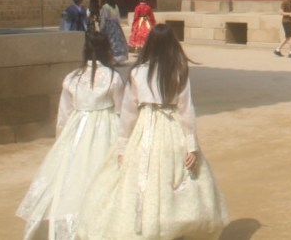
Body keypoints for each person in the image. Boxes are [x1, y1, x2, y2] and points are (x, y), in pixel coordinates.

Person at [78, 23, 229, 240]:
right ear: (172, 45)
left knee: (142, 176)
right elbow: (186, 110)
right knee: (175, 178)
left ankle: (146, 226)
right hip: (171, 124)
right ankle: (176, 225)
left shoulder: (137, 72)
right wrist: (191, 146)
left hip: (145, 126)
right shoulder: (179, 70)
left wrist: (123, 145)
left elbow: (128, 112)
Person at [16, 32, 125, 240]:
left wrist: (62, 142)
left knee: (70, 177)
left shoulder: (72, 78)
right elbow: (120, 110)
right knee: (102, 174)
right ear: (107, 50)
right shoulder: (113, 77)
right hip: (106, 128)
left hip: (77, 129)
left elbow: (64, 114)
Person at [100, 0, 129, 65]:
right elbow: (106, 18)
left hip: (113, 26)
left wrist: (102, 27)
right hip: (112, 26)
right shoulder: (107, 7)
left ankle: (116, 59)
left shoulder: (113, 6)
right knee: (112, 41)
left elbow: (106, 18)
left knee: (115, 42)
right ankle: (113, 59)